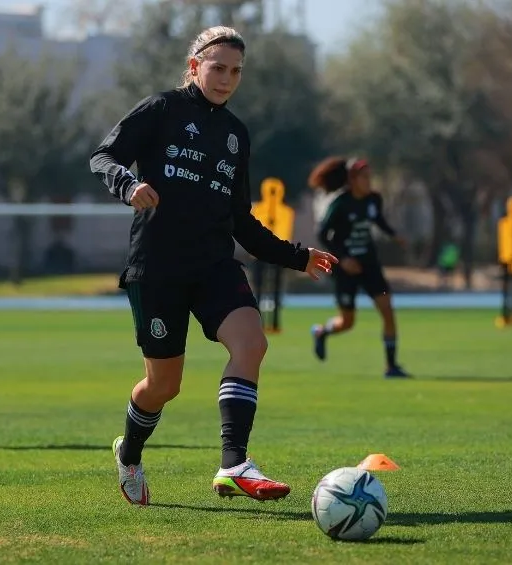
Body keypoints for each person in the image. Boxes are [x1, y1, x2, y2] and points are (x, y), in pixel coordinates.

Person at [90, 25, 338, 506]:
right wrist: (127, 185)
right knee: (164, 385)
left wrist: (297, 255)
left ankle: (233, 464)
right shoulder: (161, 109)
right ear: (194, 67)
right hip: (157, 267)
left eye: (236, 71)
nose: (226, 78)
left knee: (252, 342)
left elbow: (239, 220)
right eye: (218, 67)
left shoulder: (236, 135)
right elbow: (104, 155)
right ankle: (130, 453)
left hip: (213, 266)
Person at [308, 157, 410, 378]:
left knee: (388, 311)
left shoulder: (374, 200)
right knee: (347, 322)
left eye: (369, 176)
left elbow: (378, 220)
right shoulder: (340, 204)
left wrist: (395, 235)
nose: (369, 181)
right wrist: (343, 259)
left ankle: (391, 366)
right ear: (352, 180)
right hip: (346, 269)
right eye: (364, 177)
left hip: (370, 265)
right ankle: (321, 332)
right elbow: (323, 234)